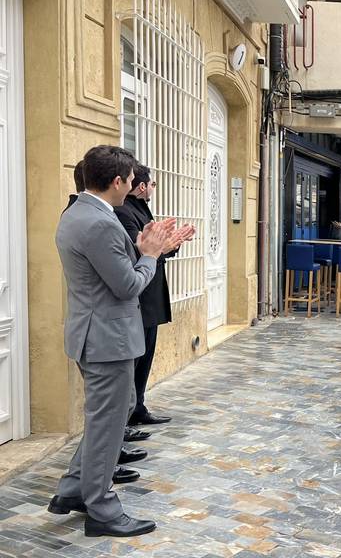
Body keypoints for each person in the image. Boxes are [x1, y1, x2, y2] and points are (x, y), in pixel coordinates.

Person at [48, 145, 174, 538]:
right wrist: (150, 254)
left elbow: (110, 270)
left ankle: (71, 490)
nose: (134, 187)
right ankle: (101, 509)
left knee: (103, 420)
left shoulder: (79, 212)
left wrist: (142, 250)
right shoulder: (100, 221)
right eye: (132, 181)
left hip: (95, 334)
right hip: (107, 339)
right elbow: (127, 285)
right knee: (110, 422)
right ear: (117, 181)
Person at [114, 164, 195, 428]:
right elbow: (137, 254)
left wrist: (169, 245)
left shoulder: (138, 208)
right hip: (139, 296)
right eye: (152, 184)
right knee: (136, 360)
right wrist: (161, 247)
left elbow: (153, 250)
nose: (152, 189)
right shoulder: (124, 211)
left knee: (145, 356)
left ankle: (137, 408)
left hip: (149, 293)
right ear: (140, 186)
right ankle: (127, 416)